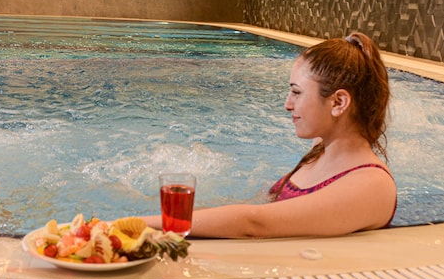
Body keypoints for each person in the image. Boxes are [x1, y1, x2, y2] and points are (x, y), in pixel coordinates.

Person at [147, 32, 396, 238]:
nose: (287, 104)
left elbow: (254, 223)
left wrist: (139, 224)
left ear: (339, 102)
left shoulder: (372, 185)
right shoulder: (322, 149)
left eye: (296, 92)